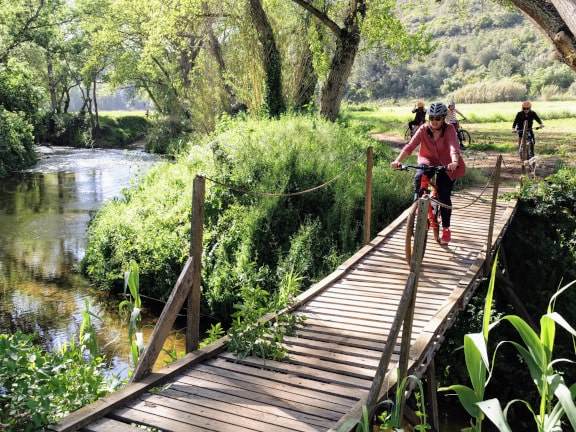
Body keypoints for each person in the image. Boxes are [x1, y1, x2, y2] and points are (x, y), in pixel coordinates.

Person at [391, 101, 463, 245]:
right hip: (427, 159)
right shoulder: (423, 129)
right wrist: (397, 160)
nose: (434, 121)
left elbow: (453, 148)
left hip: (447, 163)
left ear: (443, 118)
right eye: (431, 118)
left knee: (444, 195)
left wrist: (454, 162)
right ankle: (417, 206)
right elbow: (410, 146)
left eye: (437, 118)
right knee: (419, 177)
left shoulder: (449, 130)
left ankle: (446, 229)